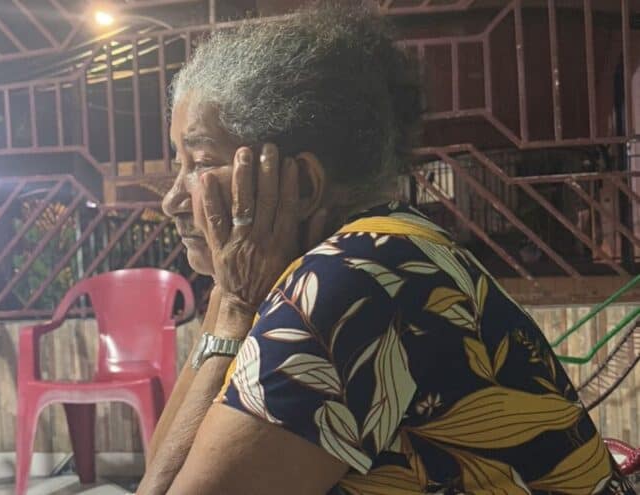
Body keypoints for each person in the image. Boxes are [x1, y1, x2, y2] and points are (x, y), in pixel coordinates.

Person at [137, 3, 635, 494]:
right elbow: (158, 472)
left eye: (201, 163)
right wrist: (229, 304)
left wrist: (234, 309)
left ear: (303, 184)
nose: (172, 200)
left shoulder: (351, 279)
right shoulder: (372, 247)